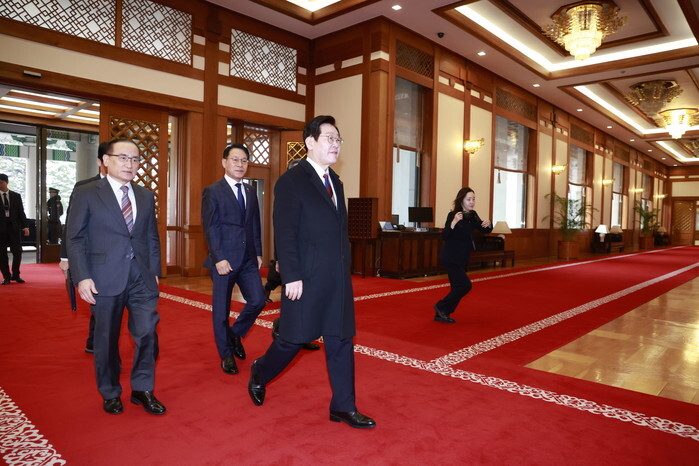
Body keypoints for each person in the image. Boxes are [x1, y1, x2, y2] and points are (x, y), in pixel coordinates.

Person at [248, 115, 376, 429]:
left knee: (341, 340)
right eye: (329, 138)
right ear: (310, 142)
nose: (336, 144)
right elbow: (285, 231)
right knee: (293, 340)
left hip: (337, 280)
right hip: (305, 278)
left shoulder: (336, 182)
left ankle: (343, 407)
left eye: (338, 139)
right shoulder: (292, 181)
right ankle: (260, 372)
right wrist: (291, 275)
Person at [66, 138, 165, 415]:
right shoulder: (87, 193)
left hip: (141, 277)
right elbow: (75, 238)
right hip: (103, 277)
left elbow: (151, 237)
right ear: (106, 160)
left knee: (148, 333)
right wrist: (82, 276)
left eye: (134, 159)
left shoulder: (145, 195)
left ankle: (142, 389)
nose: (129, 164)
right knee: (106, 340)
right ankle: (110, 391)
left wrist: (154, 271)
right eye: (123, 158)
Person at [202, 143, 266, 375]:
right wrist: (218, 257)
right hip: (224, 261)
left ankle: (235, 333)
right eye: (235, 160)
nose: (240, 164)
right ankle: (226, 354)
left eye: (244, 160)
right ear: (224, 162)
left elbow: (254, 225)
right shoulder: (213, 191)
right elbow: (211, 227)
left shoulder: (250, 191)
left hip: (248, 259)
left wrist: (258, 252)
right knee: (221, 310)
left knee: (258, 300)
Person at [59, 141, 109, 354]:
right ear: (100, 161)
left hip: (119, 257)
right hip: (92, 255)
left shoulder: (129, 188)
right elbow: (71, 224)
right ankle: (95, 341)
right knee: (100, 302)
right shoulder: (84, 187)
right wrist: (65, 257)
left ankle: (98, 341)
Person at [433, 187, 492, 323]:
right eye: (469, 199)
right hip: (450, 256)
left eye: (473, 199)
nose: (472, 202)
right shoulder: (453, 215)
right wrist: (454, 222)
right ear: (461, 201)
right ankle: (441, 307)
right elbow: (445, 236)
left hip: (462, 257)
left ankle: (442, 313)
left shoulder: (473, 215)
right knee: (465, 286)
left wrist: (488, 224)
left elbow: (484, 229)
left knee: (457, 287)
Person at [0, 173, 29, 285]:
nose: (0, 185)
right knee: (2, 254)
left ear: (6, 182)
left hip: (14, 228)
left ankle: (16, 275)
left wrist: (25, 226)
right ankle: (6, 277)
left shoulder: (16, 196)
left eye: (1, 182)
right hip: (1, 229)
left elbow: (21, 212)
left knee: (17, 252)